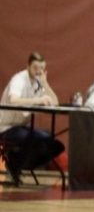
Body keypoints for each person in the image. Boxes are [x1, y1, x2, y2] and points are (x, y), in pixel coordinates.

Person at [0, 52, 64, 184]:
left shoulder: (38, 82)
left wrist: (45, 83)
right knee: (32, 138)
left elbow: (55, 102)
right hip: (5, 127)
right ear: (28, 66)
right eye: (35, 68)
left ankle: (17, 162)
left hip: (22, 127)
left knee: (53, 143)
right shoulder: (19, 79)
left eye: (41, 69)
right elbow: (13, 100)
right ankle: (14, 162)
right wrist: (38, 100)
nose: (38, 71)